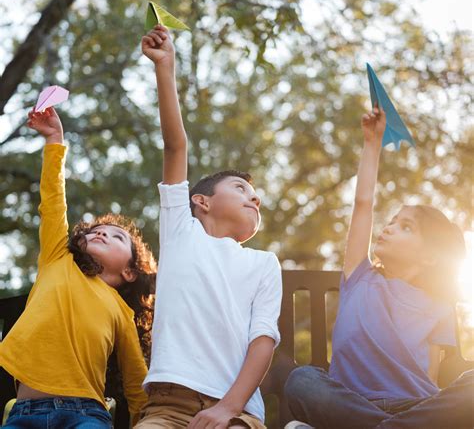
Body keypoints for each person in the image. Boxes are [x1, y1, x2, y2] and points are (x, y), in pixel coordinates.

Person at [284, 105, 473, 428]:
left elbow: (430, 377)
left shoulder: (440, 305)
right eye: (392, 222)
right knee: (302, 380)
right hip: (351, 406)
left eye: (406, 228)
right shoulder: (360, 277)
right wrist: (372, 144)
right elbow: (363, 206)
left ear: (430, 256)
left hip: (415, 408)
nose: (388, 228)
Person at [135, 25, 282, 429]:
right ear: (200, 201)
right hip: (167, 405)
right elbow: (175, 146)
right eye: (241, 188)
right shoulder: (181, 228)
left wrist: (227, 409)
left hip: (236, 408)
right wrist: (165, 68)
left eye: (256, 197)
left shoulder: (264, 263)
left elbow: (263, 342)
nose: (254, 198)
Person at [0, 106, 157, 428]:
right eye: (97, 230)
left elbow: (134, 377)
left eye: (116, 237)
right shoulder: (57, 258)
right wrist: (55, 140)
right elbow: (53, 200)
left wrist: (147, 420)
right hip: (24, 413)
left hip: (86, 414)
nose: (101, 232)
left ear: (129, 272)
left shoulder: (120, 312)